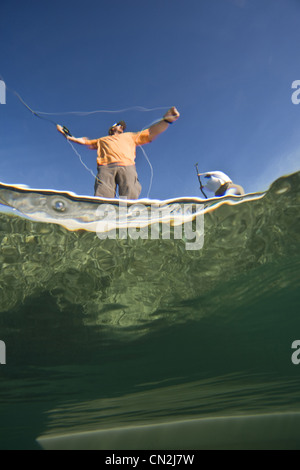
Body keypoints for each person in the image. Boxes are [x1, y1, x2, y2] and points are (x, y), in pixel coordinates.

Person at [57, 107, 180, 199]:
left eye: (123, 127)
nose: (121, 127)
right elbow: (84, 141)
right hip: (105, 168)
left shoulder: (130, 136)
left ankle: (128, 220)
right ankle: (103, 221)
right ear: (112, 128)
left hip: (127, 166)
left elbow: (151, 132)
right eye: (119, 125)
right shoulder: (101, 140)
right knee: (103, 197)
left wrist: (166, 120)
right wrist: (67, 135)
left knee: (130, 193)